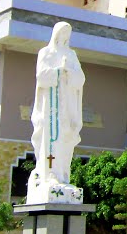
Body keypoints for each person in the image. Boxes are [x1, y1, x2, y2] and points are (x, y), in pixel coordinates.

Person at [28, 21, 86, 203]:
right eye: (62, 32)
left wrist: (70, 73)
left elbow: (81, 78)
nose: (65, 36)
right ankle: (49, 174)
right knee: (51, 139)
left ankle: (62, 175)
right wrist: (58, 72)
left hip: (66, 104)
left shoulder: (71, 54)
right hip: (51, 106)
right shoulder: (46, 52)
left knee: (66, 140)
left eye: (68, 33)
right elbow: (41, 76)